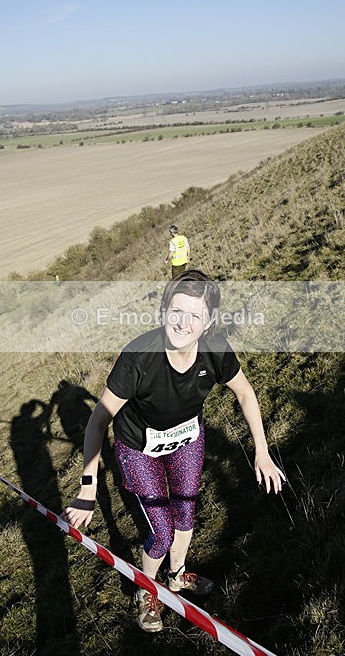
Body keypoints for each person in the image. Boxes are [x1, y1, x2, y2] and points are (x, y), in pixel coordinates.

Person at [62, 270, 285, 633]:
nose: (183, 323)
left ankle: (177, 577)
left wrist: (262, 451)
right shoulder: (138, 357)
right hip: (139, 448)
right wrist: (88, 487)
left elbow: (244, 392)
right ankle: (147, 590)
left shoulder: (214, 350)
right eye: (176, 311)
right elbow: (98, 421)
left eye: (194, 315)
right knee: (161, 533)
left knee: (185, 515)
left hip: (186, 440)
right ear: (163, 308)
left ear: (209, 321)